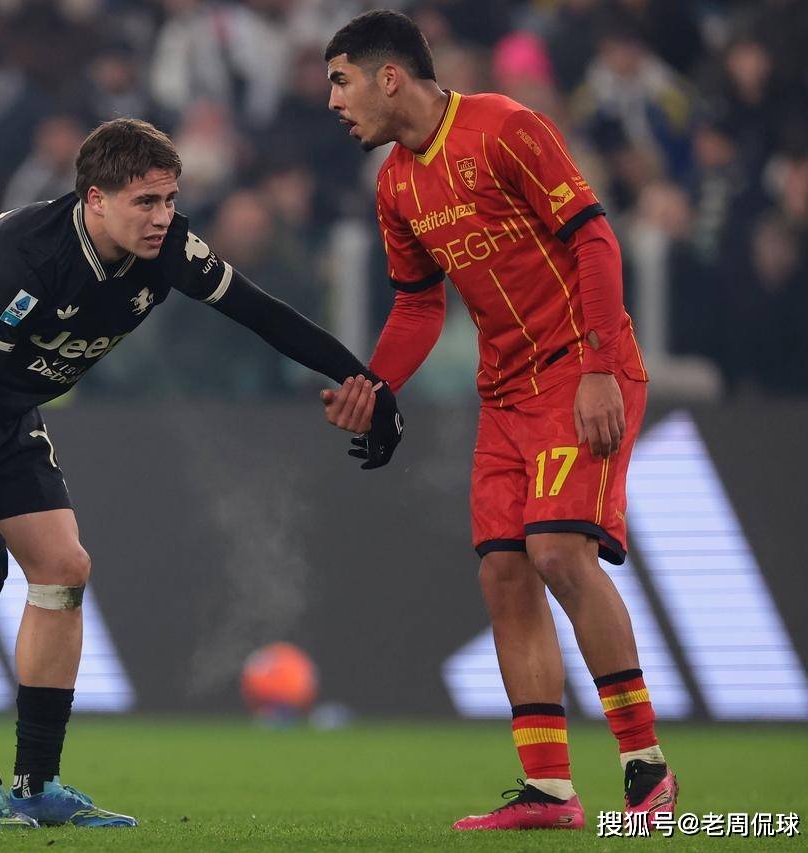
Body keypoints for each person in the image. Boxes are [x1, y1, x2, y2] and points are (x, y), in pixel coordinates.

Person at [0, 117, 403, 831]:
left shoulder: (168, 249)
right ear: (95, 199)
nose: (162, 217)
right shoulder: (26, 258)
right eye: (145, 201)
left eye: (170, 199)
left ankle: (38, 783)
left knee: (64, 568)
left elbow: (263, 315)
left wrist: (368, 384)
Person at [320, 10, 674, 830]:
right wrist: (373, 384)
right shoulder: (395, 185)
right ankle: (549, 789)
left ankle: (646, 766)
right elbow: (418, 308)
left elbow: (596, 241)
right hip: (505, 392)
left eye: (340, 81)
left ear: (389, 77)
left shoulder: (507, 128)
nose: (333, 102)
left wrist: (598, 366)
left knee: (556, 551)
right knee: (504, 573)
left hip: (581, 369)